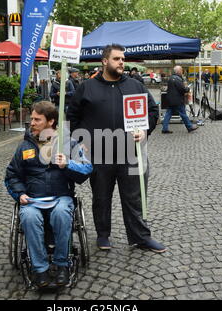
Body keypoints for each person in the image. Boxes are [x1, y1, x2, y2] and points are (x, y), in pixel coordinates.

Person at [67, 44, 166, 253]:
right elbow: (73, 116)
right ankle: (103, 235)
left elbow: (152, 110)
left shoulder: (135, 86)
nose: (121, 62)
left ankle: (140, 237)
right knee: (101, 197)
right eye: (116, 59)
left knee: (134, 197)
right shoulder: (87, 87)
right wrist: (80, 139)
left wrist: (145, 130)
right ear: (104, 61)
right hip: (99, 153)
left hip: (129, 152)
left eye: (123, 58)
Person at [5, 101, 92, 288]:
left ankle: (62, 265)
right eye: (32, 119)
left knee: (61, 213)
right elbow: (11, 175)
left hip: (61, 197)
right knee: (28, 216)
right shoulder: (24, 147)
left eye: (37, 119)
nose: (32, 123)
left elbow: (86, 169)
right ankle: (40, 269)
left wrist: (67, 164)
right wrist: (19, 193)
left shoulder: (69, 144)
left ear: (51, 121)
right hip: (33, 198)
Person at [161, 66, 198, 134]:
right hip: (177, 100)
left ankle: (164, 128)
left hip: (170, 99)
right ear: (178, 71)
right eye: (181, 70)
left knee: (168, 114)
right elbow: (182, 89)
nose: (182, 72)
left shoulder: (170, 78)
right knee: (183, 113)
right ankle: (189, 127)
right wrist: (188, 89)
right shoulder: (177, 79)